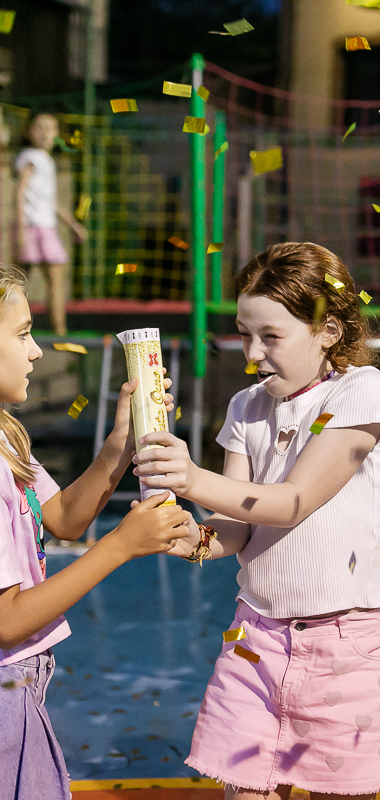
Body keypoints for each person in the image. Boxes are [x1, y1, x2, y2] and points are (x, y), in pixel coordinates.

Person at [132, 243, 380, 800]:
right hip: (254, 639)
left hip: (343, 646)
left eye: (271, 337)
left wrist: (190, 477)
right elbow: (236, 526)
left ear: (327, 329)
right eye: (244, 333)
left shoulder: (363, 392)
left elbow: (293, 500)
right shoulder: (246, 406)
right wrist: (192, 537)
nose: (253, 354)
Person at [0, 266, 189, 800]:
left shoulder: (5, 437)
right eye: (21, 334)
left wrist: (120, 442)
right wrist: (121, 546)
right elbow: (7, 620)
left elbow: (61, 518)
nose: (36, 351)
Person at [15, 114, 87, 336]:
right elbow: (19, 193)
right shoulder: (30, 157)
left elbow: (51, 202)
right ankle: (57, 331)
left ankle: (57, 330)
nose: (45, 133)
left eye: (50, 128)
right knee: (17, 282)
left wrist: (73, 225)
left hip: (45, 226)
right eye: (39, 128)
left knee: (42, 280)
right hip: (31, 227)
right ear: (29, 132)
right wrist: (19, 229)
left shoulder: (47, 161)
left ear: (56, 135)